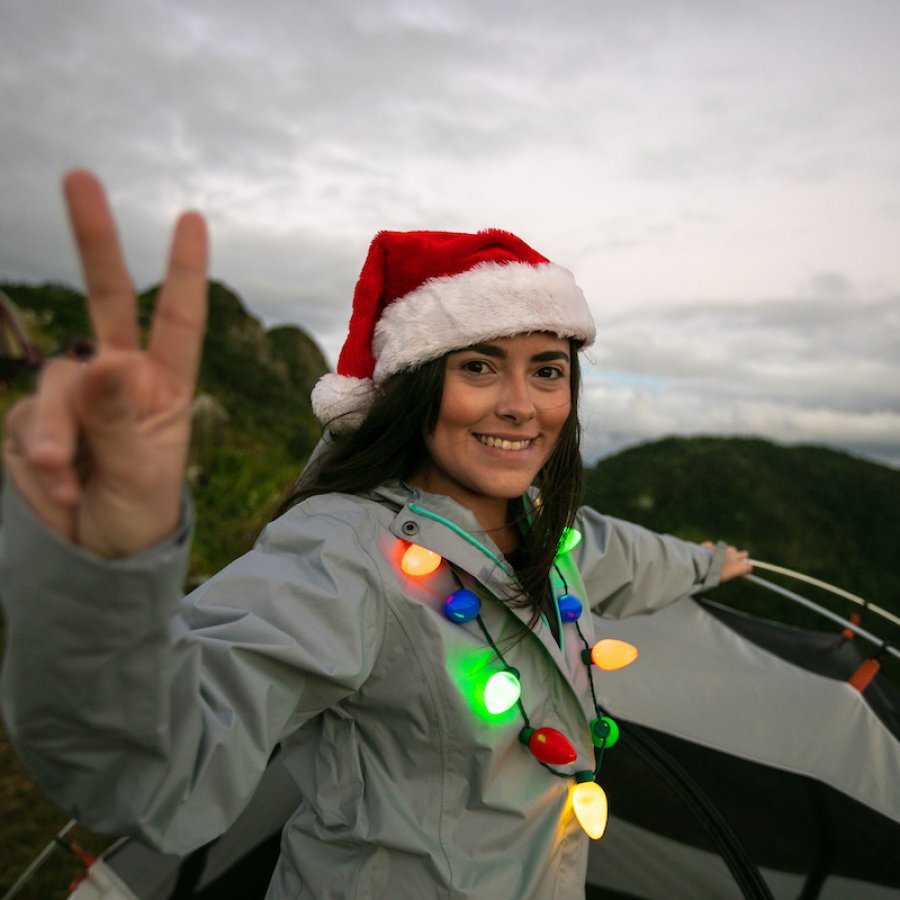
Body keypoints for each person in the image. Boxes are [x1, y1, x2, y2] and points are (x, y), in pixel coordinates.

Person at [0, 171, 751, 899]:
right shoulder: (344, 554)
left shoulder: (546, 530)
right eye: (481, 366)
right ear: (414, 386)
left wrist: (714, 562)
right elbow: (159, 763)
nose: (523, 406)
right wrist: (102, 574)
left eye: (547, 371)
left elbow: (630, 554)